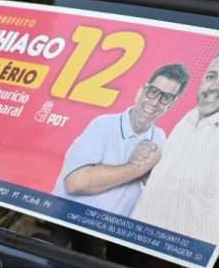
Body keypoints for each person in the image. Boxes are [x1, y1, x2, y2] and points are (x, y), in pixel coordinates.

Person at [51, 63, 189, 216]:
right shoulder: (104, 125)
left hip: (110, 233)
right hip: (66, 223)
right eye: (153, 92)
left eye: (166, 98)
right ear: (141, 91)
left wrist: (148, 177)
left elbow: (163, 197)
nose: (155, 102)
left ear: (171, 104)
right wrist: (137, 168)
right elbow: (76, 183)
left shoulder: (160, 138)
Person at [131, 46, 219, 240]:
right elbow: (175, 186)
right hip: (136, 238)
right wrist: (145, 165)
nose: (214, 86)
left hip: (174, 255)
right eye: (211, 76)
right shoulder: (191, 117)